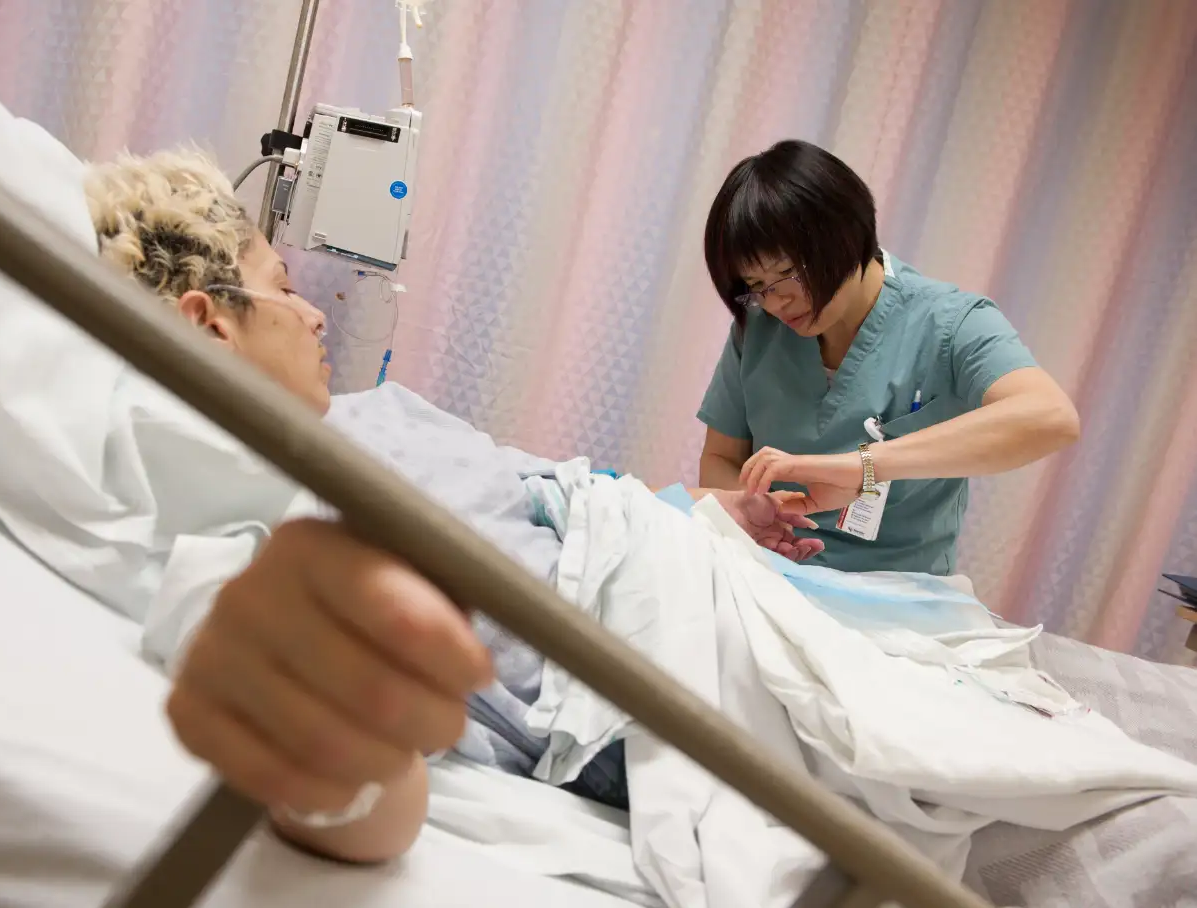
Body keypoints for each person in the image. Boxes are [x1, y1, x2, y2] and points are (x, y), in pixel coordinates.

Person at [81, 149, 826, 863]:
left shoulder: (386, 410)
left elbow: (570, 487)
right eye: (283, 286)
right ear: (210, 323)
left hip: (687, 579)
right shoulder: (266, 528)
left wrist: (713, 508)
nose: (314, 314)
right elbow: (374, 792)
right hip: (654, 680)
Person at [697, 139, 1080, 576]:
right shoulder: (760, 326)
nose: (776, 301)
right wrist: (751, 514)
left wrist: (862, 467)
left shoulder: (949, 323)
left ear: (846, 234)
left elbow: (1050, 418)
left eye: (787, 272)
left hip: (896, 592)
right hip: (768, 569)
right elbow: (721, 459)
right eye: (756, 284)